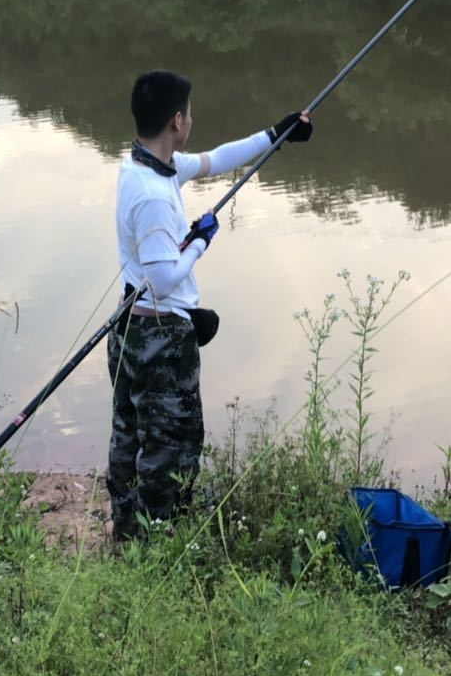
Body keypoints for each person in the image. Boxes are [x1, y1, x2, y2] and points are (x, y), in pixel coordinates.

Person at [107, 69, 312, 541]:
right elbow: (161, 280)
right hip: (160, 337)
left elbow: (216, 160)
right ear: (177, 120)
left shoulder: (142, 166)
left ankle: (125, 531)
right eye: (190, 113)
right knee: (171, 446)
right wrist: (200, 241)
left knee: (129, 432)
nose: (192, 120)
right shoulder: (155, 196)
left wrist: (275, 135)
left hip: (129, 329)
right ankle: (155, 541)